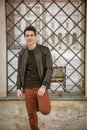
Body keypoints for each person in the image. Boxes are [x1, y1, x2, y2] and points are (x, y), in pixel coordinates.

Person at [16, 25, 53, 130]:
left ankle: (39, 103)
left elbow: (49, 69)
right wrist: (19, 88)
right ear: (25, 37)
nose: (29, 37)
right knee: (31, 115)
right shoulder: (22, 53)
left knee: (45, 110)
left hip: (40, 86)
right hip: (27, 88)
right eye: (27, 35)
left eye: (31, 35)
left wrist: (44, 86)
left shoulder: (44, 50)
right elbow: (19, 71)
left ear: (35, 36)